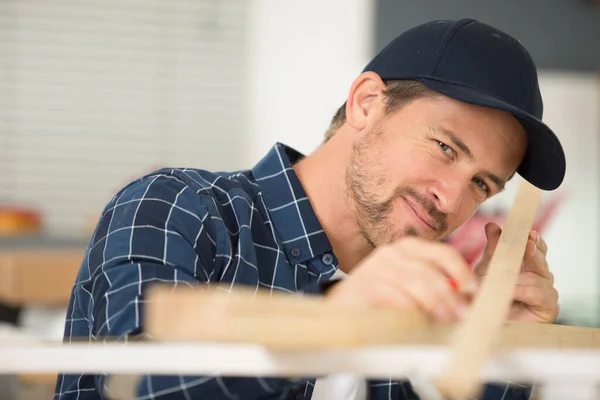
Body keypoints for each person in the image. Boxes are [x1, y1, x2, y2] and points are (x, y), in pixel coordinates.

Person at [54, 18, 565, 400]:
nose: (452, 201)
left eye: (481, 182)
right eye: (445, 148)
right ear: (367, 103)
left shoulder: (415, 297)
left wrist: (501, 354)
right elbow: (135, 384)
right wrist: (321, 325)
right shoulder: (178, 208)